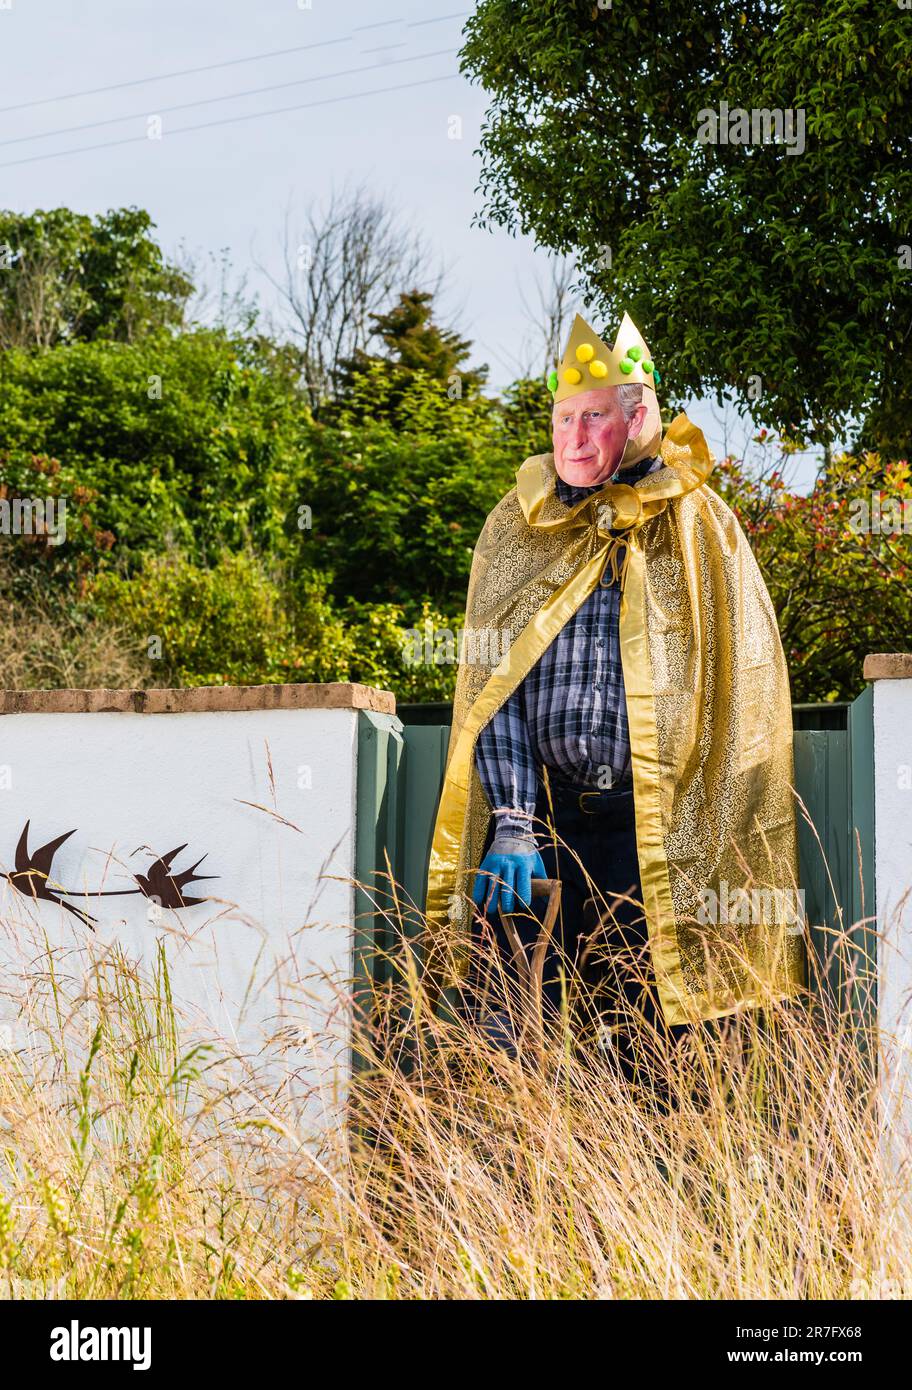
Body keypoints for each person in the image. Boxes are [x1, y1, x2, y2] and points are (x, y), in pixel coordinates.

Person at [425, 312, 806, 1083]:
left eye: (592, 416)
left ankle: (646, 1193)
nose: (571, 436)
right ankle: (516, 1188)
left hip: (657, 835)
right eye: (562, 418)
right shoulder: (517, 526)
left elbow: (743, 691)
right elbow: (490, 692)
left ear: (637, 420)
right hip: (541, 830)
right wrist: (509, 823)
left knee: (654, 1042)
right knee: (513, 1035)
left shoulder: (702, 524)